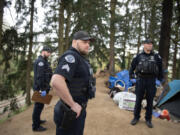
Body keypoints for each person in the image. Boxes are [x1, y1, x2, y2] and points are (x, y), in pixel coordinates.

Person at [51, 30, 96, 135]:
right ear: (75, 42)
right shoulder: (71, 56)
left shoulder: (81, 59)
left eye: (89, 43)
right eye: (84, 42)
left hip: (77, 111)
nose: (88, 45)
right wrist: (72, 105)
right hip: (70, 112)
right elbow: (56, 81)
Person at [129, 39, 163, 128]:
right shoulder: (138, 56)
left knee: (150, 101)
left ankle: (148, 119)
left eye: (151, 44)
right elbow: (132, 67)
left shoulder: (156, 57)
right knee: (138, 100)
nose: (150, 45)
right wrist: (132, 77)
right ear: (144, 45)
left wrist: (160, 80)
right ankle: (136, 117)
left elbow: (160, 68)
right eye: (148, 43)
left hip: (151, 81)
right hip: (140, 80)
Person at [32, 46, 52, 132]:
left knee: (40, 105)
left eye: (50, 53)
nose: (49, 54)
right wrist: (43, 89)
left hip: (44, 88)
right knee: (38, 106)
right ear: (43, 51)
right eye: (48, 52)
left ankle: (38, 121)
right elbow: (40, 77)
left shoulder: (44, 61)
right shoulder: (40, 62)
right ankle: (35, 126)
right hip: (41, 89)